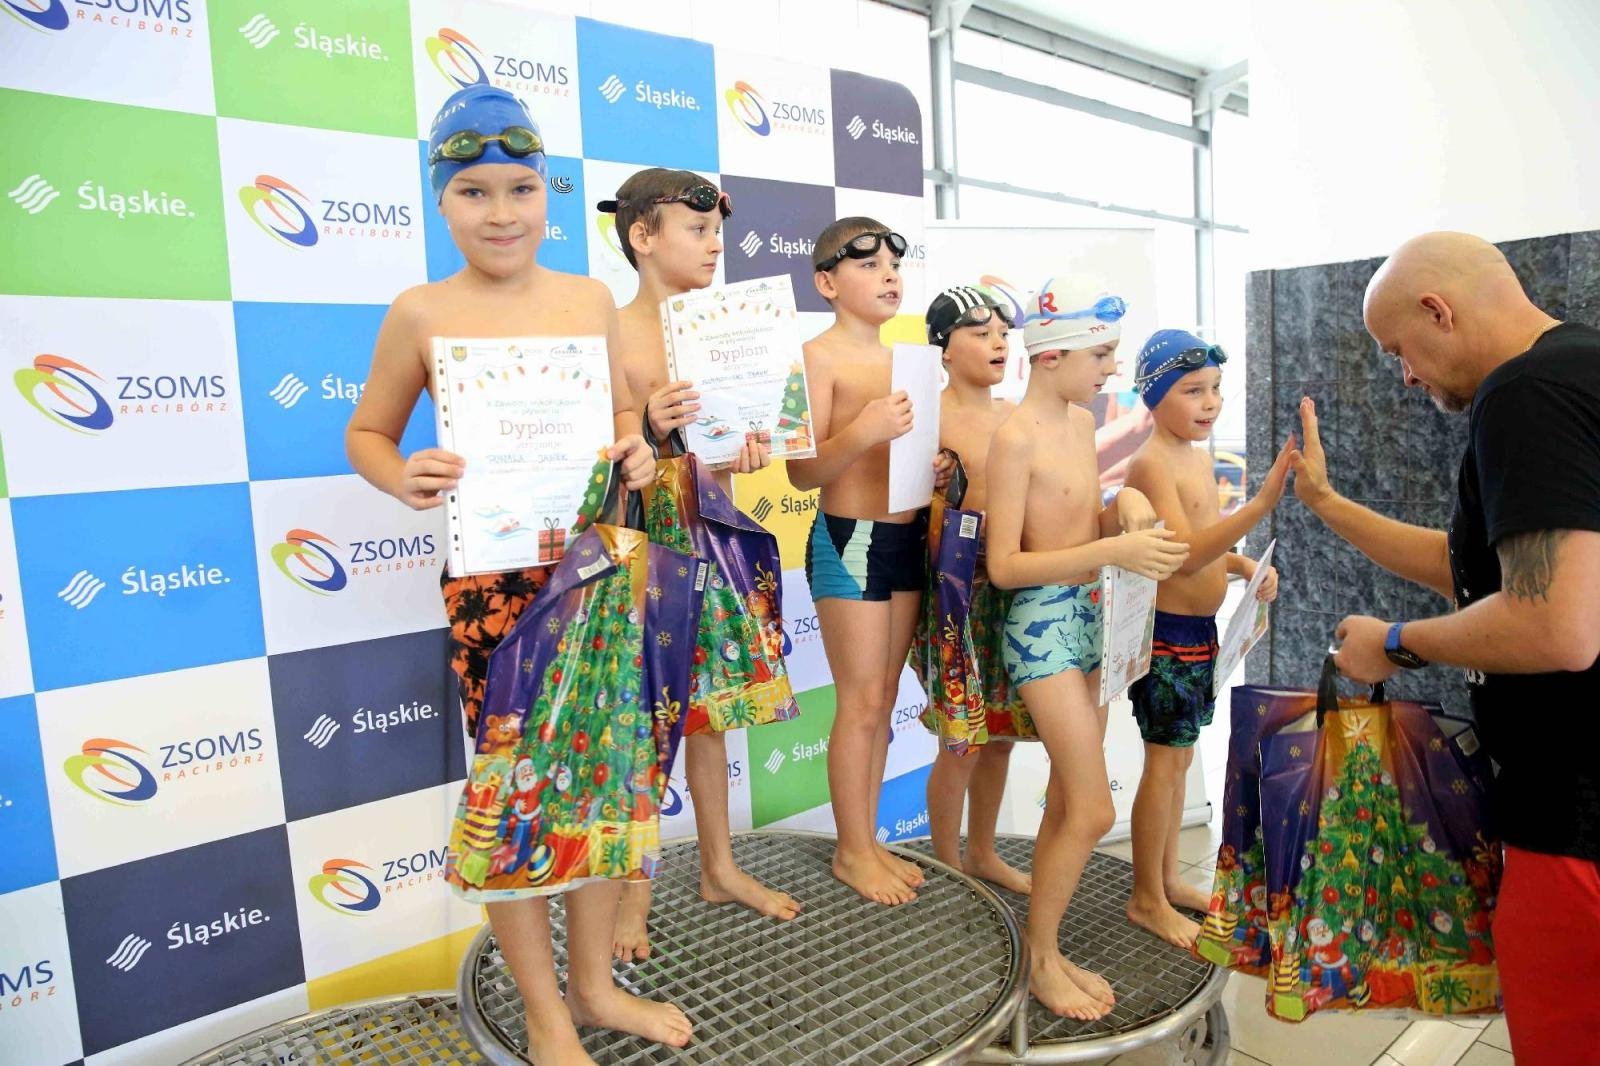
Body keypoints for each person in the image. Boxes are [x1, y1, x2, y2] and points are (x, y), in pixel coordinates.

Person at [345, 86, 686, 1063]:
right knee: (515, 796)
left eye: (521, 188)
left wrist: (636, 450)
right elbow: (368, 432)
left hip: (596, 568)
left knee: (593, 783)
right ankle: (544, 1015)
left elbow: (626, 418)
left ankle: (591, 986)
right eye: (475, 192)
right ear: (439, 203)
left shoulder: (586, 298)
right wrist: (399, 472)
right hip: (493, 586)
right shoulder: (420, 310)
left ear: (552, 195)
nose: (501, 213)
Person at [1301, 231, 1600, 1066]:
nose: (1404, 375)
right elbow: (1478, 570)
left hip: (1576, 817)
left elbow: (1555, 624)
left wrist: (1393, 644)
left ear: (1439, 309)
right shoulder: (1581, 367)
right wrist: (1327, 504)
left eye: (1401, 350)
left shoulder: (1526, 392)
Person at [598, 167, 801, 963]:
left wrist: (748, 451)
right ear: (643, 237)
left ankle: (719, 866)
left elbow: (733, 463)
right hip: (635, 537)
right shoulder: (606, 329)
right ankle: (631, 895)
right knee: (638, 715)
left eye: (718, 231)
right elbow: (595, 458)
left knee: (711, 714)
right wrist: (642, 424)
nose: (716, 245)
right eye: (698, 231)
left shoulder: (727, 329)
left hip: (708, 527)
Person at [984, 275, 1190, 1019]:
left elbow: (1084, 514)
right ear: (1049, 355)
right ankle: (1039, 958)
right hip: (1040, 627)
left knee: (1072, 801)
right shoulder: (1012, 438)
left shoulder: (1077, 422)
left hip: (1089, 617)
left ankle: (1047, 943)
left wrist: (1125, 511)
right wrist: (1112, 556)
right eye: (1100, 354)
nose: (1110, 369)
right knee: (1095, 810)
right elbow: (1004, 566)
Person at [785, 217, 950, 906]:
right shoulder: (812, 358)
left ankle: (869, 838)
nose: (887, 274)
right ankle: (852, 851)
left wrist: (934, 467)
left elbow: (909, 458)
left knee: (883, 702)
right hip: (849, 539)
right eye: (867, 264)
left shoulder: (911, 360)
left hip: (905, 542)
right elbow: (799, 472)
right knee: (858, 704)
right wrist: (864, 430)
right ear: (827, 282)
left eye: (894, 262)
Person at [1120, 328, 1292, 948]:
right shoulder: (1152, 462)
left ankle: (1165, 879)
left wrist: (1248, 567)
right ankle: (1145, 897)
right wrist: (1264, 503)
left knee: (1181, 759)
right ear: (1155, 398)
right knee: (1162, 768)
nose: (1209, 402)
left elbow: (1209, 540)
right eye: (1192, 391)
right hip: (1168, 637)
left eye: (1215, 389)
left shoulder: (1195, 455)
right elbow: (1186, 558)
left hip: (1200, 632)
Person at [919, 285, 1033, 894]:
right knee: (961, 740)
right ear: (943, 346)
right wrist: (935, 485)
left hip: (1013, 590)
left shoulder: (1018, 413)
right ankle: (946, 860)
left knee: (1001, 736)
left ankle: (983, 852)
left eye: (1002, 333)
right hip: (955, 597)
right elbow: (903, 512)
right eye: (979, 332)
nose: (997, 343)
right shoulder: (926, 415)